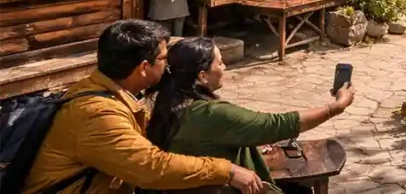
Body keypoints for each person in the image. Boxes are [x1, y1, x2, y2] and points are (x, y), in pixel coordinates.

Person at [23, 20, 264, 194]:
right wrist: (226, 170)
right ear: (143, 68)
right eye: (163, 59)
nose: (168, 66)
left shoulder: (104, 89)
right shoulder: (97, 113)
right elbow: (151, 168)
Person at [148, 38, 357, 194]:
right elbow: (277, 125)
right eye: (220, 63)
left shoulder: (168, 103)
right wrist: (336, 106)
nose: (225, 67)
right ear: (202, 76)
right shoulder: (211, 113)